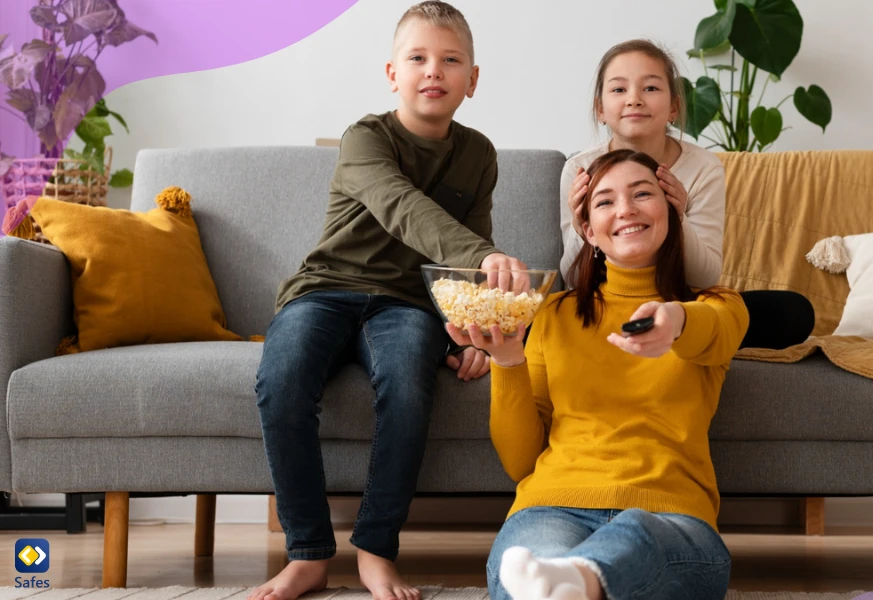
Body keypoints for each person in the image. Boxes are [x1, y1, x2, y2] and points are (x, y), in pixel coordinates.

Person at [251, 3, 525, 600]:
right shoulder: (365, 138)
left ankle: (375, 549)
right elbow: (403, 207)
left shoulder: (478, 154)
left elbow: (454, 269)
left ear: (472, 80)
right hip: (324, 289)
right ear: (391, 73)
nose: (434, 70)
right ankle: (307, 553)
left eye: (451, 60)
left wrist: (474, 329)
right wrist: (484, 255)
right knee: (282, 381)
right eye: (418, 58)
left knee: (406, 387)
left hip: (407, 305)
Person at [451, 149, 750, 600]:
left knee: (635, 537)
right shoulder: (552, 313)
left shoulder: (717, 306)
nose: (626, 209)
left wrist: (674, 321)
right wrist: (508, 360)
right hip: (552, 508)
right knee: (536, 564)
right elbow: (520, 462)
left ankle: (575, 582)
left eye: (642, 194)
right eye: (606, 201)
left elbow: (709, 331)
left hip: (667, 518)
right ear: (588, 230)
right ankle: (570, 582)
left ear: (672, 210)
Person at [560, 40, 813, 350]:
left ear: (674, 107)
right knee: (535, 323)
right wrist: (578, 223)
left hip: (680, 305)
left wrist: (677, 217)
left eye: (651, 88)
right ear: (600, 108)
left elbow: (704, 277)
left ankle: (660, 331)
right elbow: (573, 280)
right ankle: (630, 333)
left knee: (791, 312)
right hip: (605, 302)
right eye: (618, 90)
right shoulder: (580, 170)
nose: (634, 100)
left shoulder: (704, 167)